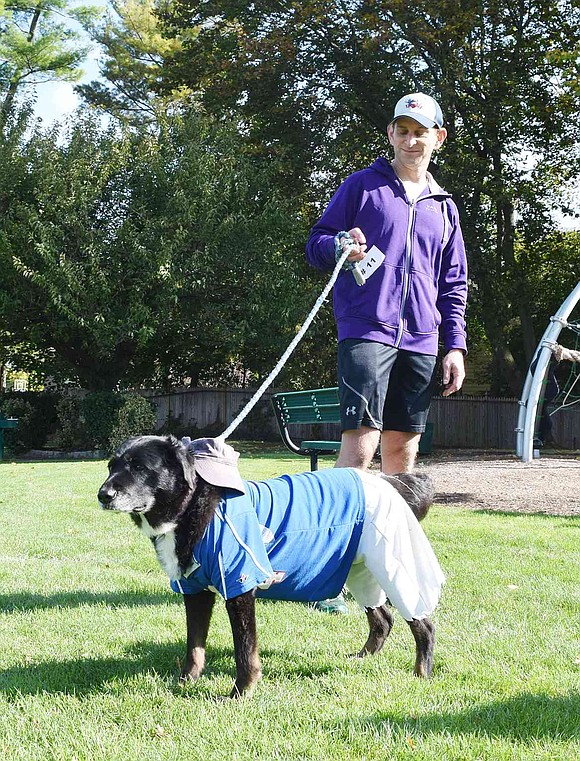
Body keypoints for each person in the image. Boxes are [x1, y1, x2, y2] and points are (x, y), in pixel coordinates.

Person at [305, 92, 467, 614]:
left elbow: (454, 283)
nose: (411, 138)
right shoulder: (362, 186)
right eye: (402, 129)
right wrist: (339, 247)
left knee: (403, 454)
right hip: (366, 331)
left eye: (421, 130)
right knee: (361, 445)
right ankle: (330, 575)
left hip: (421, 339)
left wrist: (455, 345)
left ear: (438, 138)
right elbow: (317, 242)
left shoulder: (445, 207)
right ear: (391, 135)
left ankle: (392, 564)